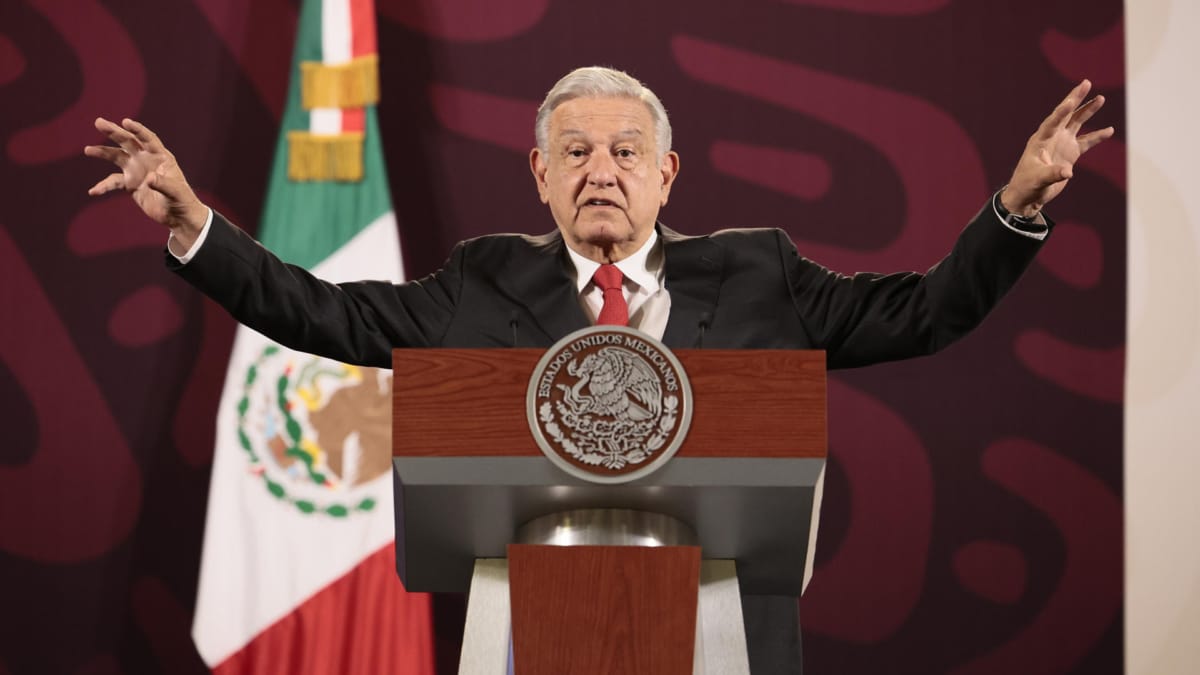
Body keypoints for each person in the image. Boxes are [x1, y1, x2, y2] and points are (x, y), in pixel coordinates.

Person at [85, 67, 1112, 674]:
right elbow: (327, 314)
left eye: (626, 151)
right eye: (573, 152)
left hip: (728, 636)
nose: (601, 170)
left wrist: (1015, 209)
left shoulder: (762, 272)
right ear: (539, 175)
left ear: (666, 173)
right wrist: (195, 227)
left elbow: (925, 313)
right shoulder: (481, 282)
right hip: (524, 626)